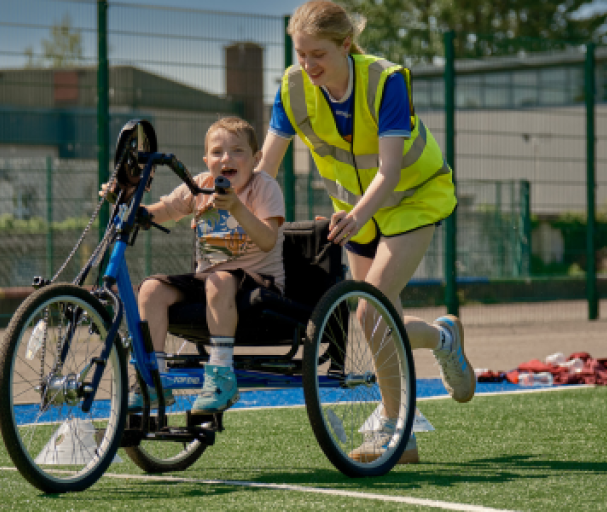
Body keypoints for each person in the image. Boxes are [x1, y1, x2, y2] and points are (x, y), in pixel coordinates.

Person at [256, 0, 475, 464]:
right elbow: (266, 169)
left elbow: (391, 169)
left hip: (413, 198)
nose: (308, 65)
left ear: (345, 45)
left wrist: (356, 213)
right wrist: (235, 204)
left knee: (369, 314)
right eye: (301, 54)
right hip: (354, 211)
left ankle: (398, 432)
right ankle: (442, 344)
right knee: (378, 315)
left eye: (318, 54)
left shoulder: (386, 80)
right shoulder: (292, 89)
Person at [130, 116, 286, 414]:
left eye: (237, 151)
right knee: (150, 290)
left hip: (259, 284)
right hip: (211, 283)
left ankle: (221, 374)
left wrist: (237, 208)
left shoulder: (264, 187)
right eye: (217, 152)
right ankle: (154, 379)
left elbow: (267, 240)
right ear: (206, 160)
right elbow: (159, 211)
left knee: (220, 280)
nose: (226, 158)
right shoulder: (200, 185)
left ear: (256, 159)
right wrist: (128, 206)